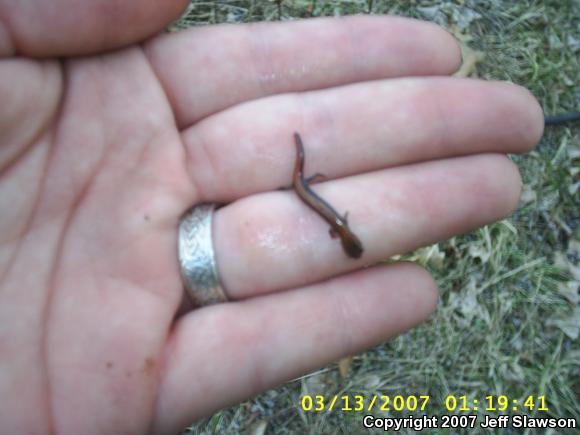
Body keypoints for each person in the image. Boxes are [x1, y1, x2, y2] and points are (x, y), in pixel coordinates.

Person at [0, 1, 544, 434]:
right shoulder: (337, 229)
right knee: (308, 185)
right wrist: (316, 196)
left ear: (344, 240)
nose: (348, 242)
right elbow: (331, 216)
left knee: (308, 185)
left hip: (311, 193)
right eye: (350, 244)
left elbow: (332, 215)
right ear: (345, 241)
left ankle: (301, 164)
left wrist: (316, 195)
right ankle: (300, 163)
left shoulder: (339, 228)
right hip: (311, 194)